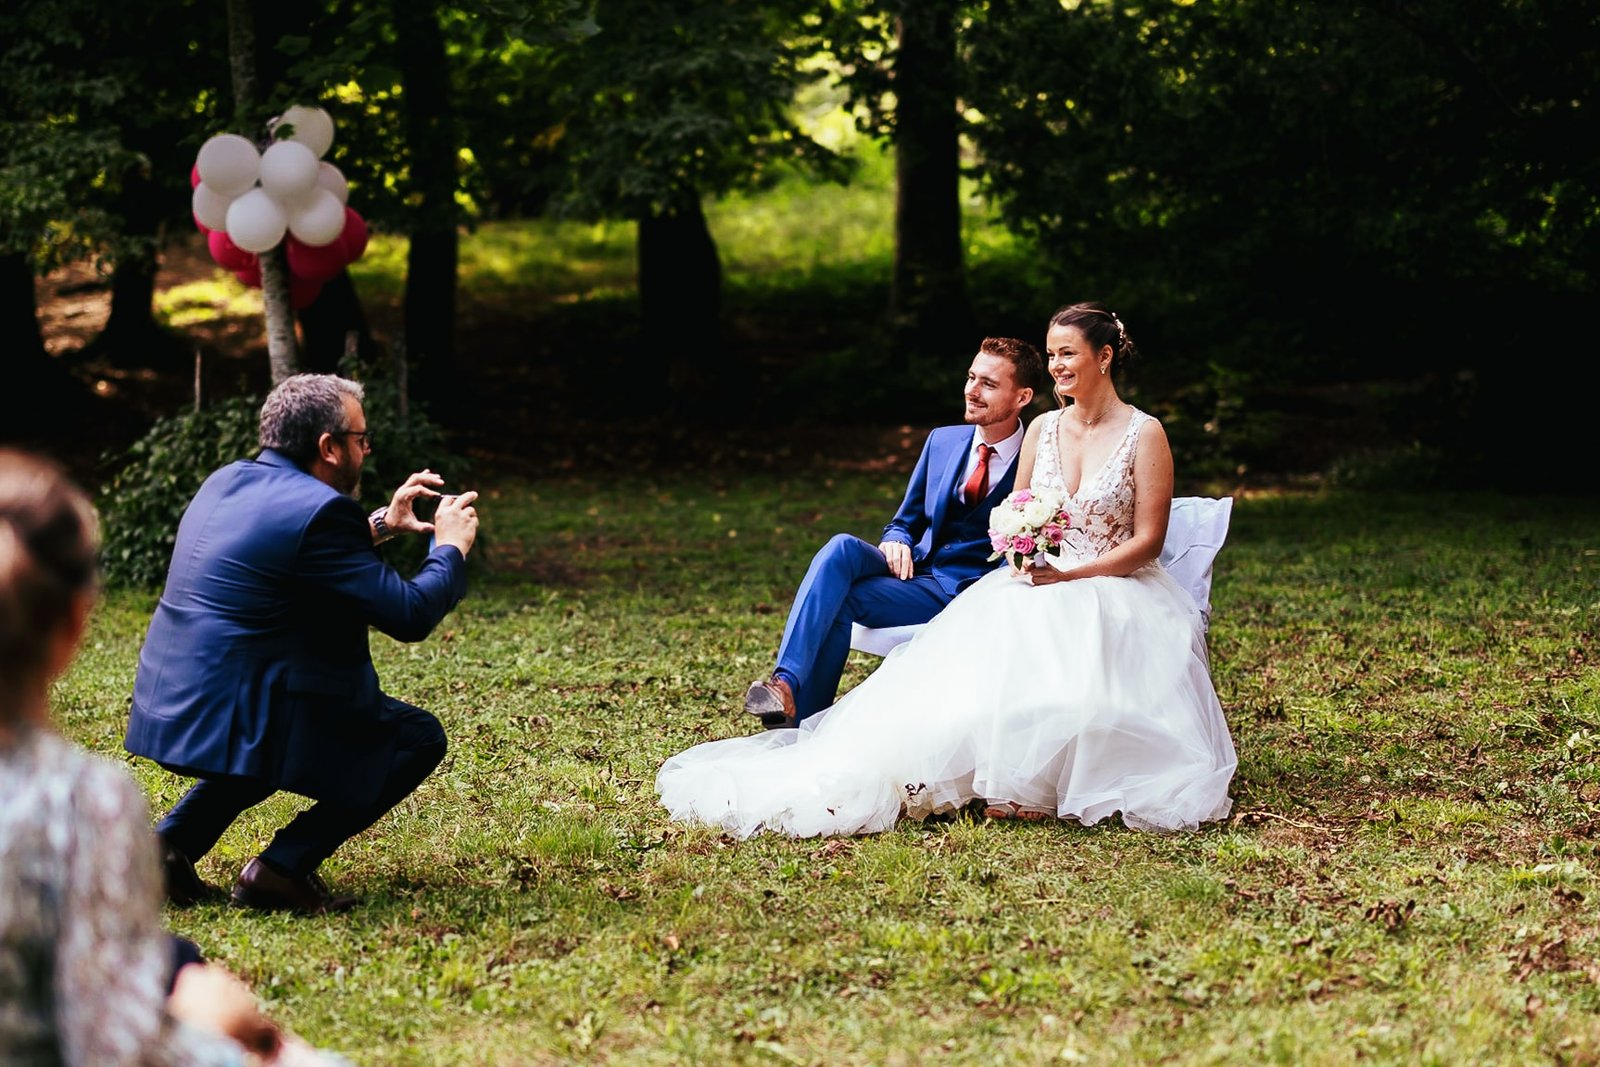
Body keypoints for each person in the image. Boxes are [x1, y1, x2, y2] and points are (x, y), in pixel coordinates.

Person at [658, 303, 1236, 836]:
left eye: (1068, 353)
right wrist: (1015, 549)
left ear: (1104, 357)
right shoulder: (1041, 430)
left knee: (1058, 639)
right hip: (1020, 575)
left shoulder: (1145, 433)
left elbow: (1148, 542)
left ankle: (1041, 775)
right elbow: (1015, 514)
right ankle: (801, 709)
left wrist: (1067, 575)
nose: (1059, 363)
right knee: (847, 562)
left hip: (1108, 584)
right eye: (1053, 352)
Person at [0, 448, 353, 1066]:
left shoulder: (235, 486)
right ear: (75, 625)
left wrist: (175, 970)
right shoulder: (79, 798)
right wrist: (246, 1044)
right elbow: (111, 1044)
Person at [124, 373, 480, 915]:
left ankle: (164, 851)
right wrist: (448, 548)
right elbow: (408, 616)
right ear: (328, 447)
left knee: (264, 733)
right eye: (361, 439)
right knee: (417, 737)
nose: (366, 449)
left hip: (175, 701)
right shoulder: (322, 510)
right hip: (233, 708)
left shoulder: (227, 480)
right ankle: (281, 868)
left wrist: (383, 522)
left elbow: (293, 549)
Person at [741, 336, 1042, 728]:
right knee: (841, 548)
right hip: (917, 574)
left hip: (969, 593)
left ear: (1022, 397)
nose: (972, 390)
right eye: (971, 377)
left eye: (988, 383)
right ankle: (784, 684)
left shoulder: (1037, 459)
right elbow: (905, 520)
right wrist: (897, 540)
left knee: (842, 601)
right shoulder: (943, 440)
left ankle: (798, 723)